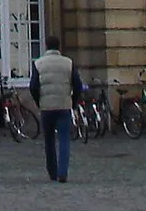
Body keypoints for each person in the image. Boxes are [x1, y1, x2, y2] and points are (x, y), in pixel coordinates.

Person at [29, 34, 83, 183]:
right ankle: (63, 172)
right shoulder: (68, 63)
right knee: (64, 139)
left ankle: (52, 172)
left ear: (46, 46)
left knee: (49, 141)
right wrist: (73, 101)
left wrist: (39, 101)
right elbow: (77, 85)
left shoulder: (39, 63)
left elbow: (33, 86)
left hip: (46, 106)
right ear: (59, 47)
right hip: (64, 105)